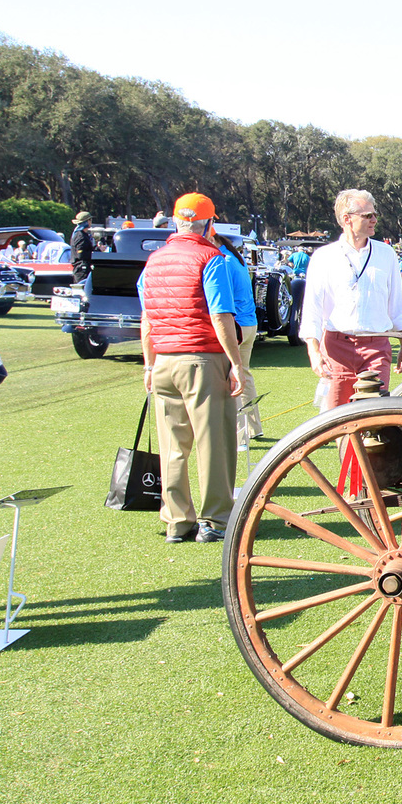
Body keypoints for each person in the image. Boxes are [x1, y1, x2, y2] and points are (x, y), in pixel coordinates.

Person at [138, 192, 243, 544]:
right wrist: (235, 363)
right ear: (210, 225)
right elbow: (220, 315)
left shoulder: (154, 261)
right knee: (214, 441)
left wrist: (149, 364)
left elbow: (147, 319)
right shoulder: (211, 258)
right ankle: (214, 519)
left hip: (164, 358)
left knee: (172, 445)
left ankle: (177, 520)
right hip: (201, 358)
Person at [301, 189, 402, 411]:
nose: (374, 220)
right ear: (346, 219)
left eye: (374, 214)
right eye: (367, 215)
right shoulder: (324, 257)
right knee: (337, 419)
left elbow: (397, 307)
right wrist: (314, 351)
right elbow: (311, 309)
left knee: (372, 420)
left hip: (377, 346)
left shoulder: (386, 254)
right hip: (336, 347)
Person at [216, 234, 263, 441]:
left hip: (237, 326)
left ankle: (239, 434)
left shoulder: (224, 262)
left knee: (232, 377)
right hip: (249, 323)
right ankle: (253, 428)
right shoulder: (237, 259)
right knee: (244, 374)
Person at [70, 211, 96, 283]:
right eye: (90, 220)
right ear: (86, 222)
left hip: (82, 267)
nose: (91, 222)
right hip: (81, 268)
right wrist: (93, 254)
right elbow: (81, 254)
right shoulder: (80, 236)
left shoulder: (82, 234)